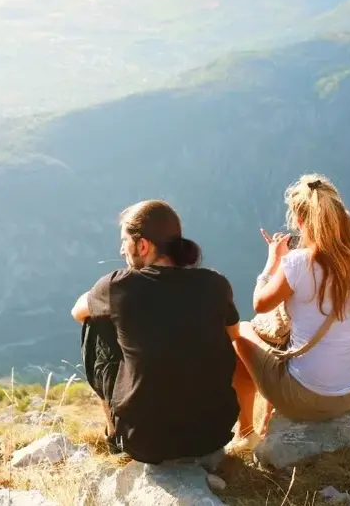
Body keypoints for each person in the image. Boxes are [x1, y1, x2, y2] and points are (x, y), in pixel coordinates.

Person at [70, 200, 239, 469]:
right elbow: (233, 336)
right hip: (213, 435)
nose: (121, 249)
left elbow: (77, 311)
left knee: (96, 323)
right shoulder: (215, 284)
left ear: (143, 245)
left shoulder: (119, 285)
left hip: (146, 442)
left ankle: (115, 434)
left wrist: (104, 300)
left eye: (125, 241)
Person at [232, 174, 350, 444]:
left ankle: (245, 433)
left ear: (300, 222)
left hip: (307, 397)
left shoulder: (298, 264)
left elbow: (260, 303)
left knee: (241, 331)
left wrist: (273, 261)